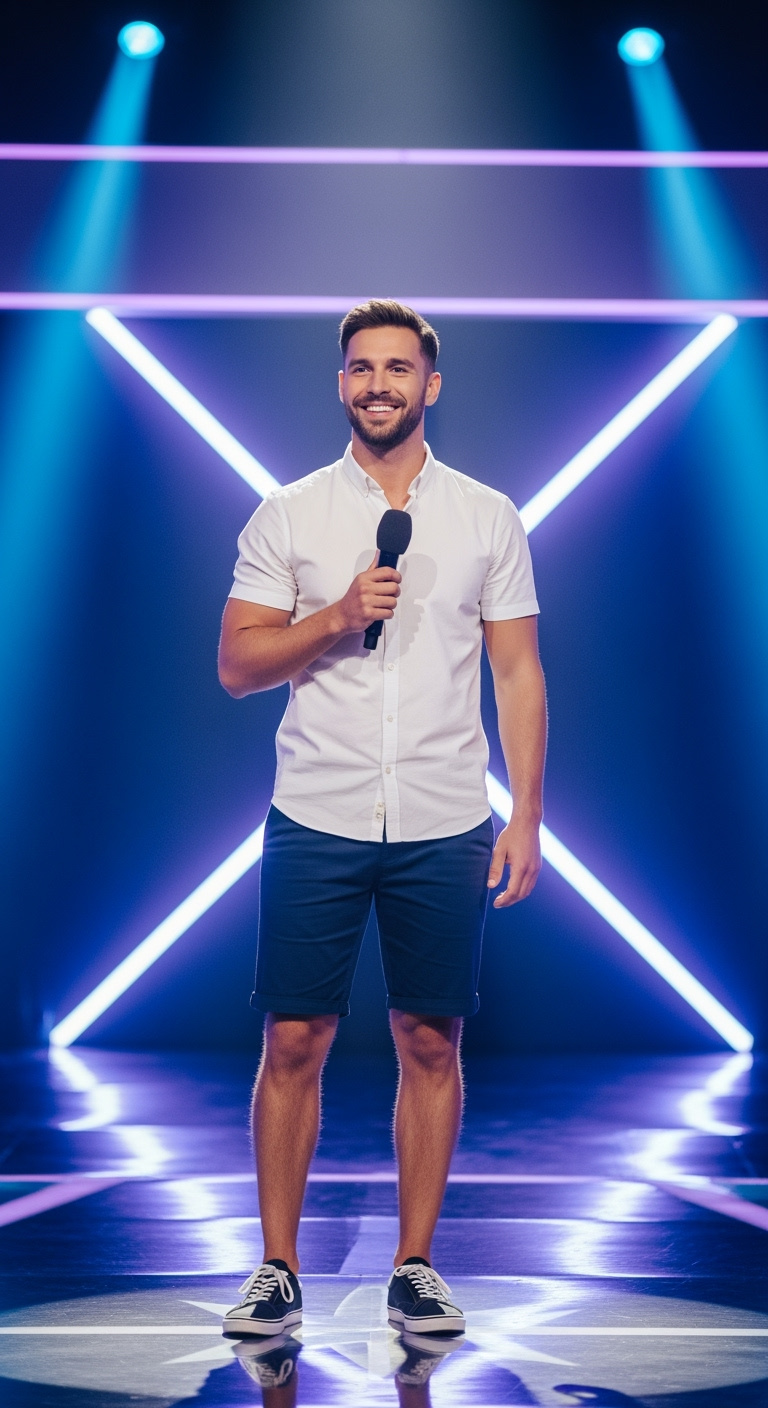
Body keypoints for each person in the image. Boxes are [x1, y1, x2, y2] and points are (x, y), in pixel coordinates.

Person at [218, 299, 547, 1340]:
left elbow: (518, 671)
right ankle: (277, 1267)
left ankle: (416, 1266)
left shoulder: (487, 515)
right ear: (341, 383)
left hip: (445, 813)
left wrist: (528, 813)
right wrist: (337, 614)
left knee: (431, 1040)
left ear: (430, 385)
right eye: (362, 367)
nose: (378, 385)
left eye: (398, 368)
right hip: (316, 808)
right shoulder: (290, 513)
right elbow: (237, 665)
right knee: (293, 1037)